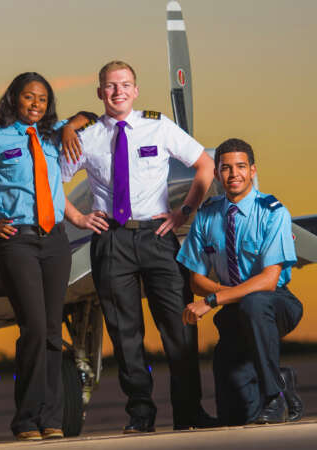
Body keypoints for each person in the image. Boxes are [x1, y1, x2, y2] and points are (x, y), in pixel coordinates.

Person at [0, 72, 103, 441]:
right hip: (18, 242)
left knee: (51, 330)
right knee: (33, 328)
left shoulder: (52, 134)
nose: (36, 104)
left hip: (55, 242)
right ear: (14, 99)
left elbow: (88, 116)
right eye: (29, 97)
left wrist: (68, 129)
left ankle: (52, 418)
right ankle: (26, 419)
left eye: (43, 100)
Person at [61, 61, 216, 432]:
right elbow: (51, 183)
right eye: (111, 86)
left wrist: (184, 212)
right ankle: (141, 415)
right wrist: (78, 218)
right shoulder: (86, 137)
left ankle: (189, 412)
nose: (118, 92)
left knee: (180, 327)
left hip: (158, 236)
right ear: (100, 92)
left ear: (136, 90)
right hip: (110, 240)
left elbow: (204, 165)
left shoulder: (158, 125)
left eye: (125, 85)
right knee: (125, 334)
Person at [176, 138, 304, 425]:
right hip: (234, 312)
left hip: (276, 304)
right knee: (237, 417)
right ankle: (282, 379)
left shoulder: (273, 212)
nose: (234, 174)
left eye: (241, 167)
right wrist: (224, 294)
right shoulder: (207, 215)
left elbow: (269, 280)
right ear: (217, 174)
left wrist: (212, 300)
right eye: (226, 168)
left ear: (253, 170)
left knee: (254, 303)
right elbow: (196, 279)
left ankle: (275, 396)